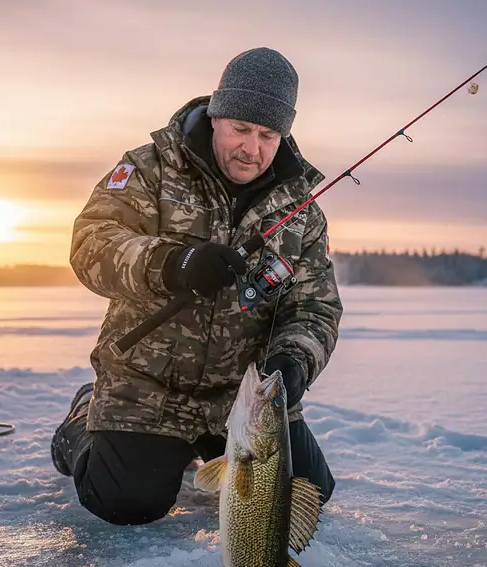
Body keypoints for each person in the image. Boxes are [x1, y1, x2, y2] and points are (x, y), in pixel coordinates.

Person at [50, 47, 343, 525]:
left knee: (304, 498)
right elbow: (90, 244)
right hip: (148, 385)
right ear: (216, 116)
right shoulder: (151, 168)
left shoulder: (300, 208)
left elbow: (315, 306)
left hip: (243, 398)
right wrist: (173, 262)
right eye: (242, 130)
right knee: (126, 503)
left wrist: (294, 363)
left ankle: (209, 452)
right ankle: (84, 419)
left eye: (268, 135)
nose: (253, 148)